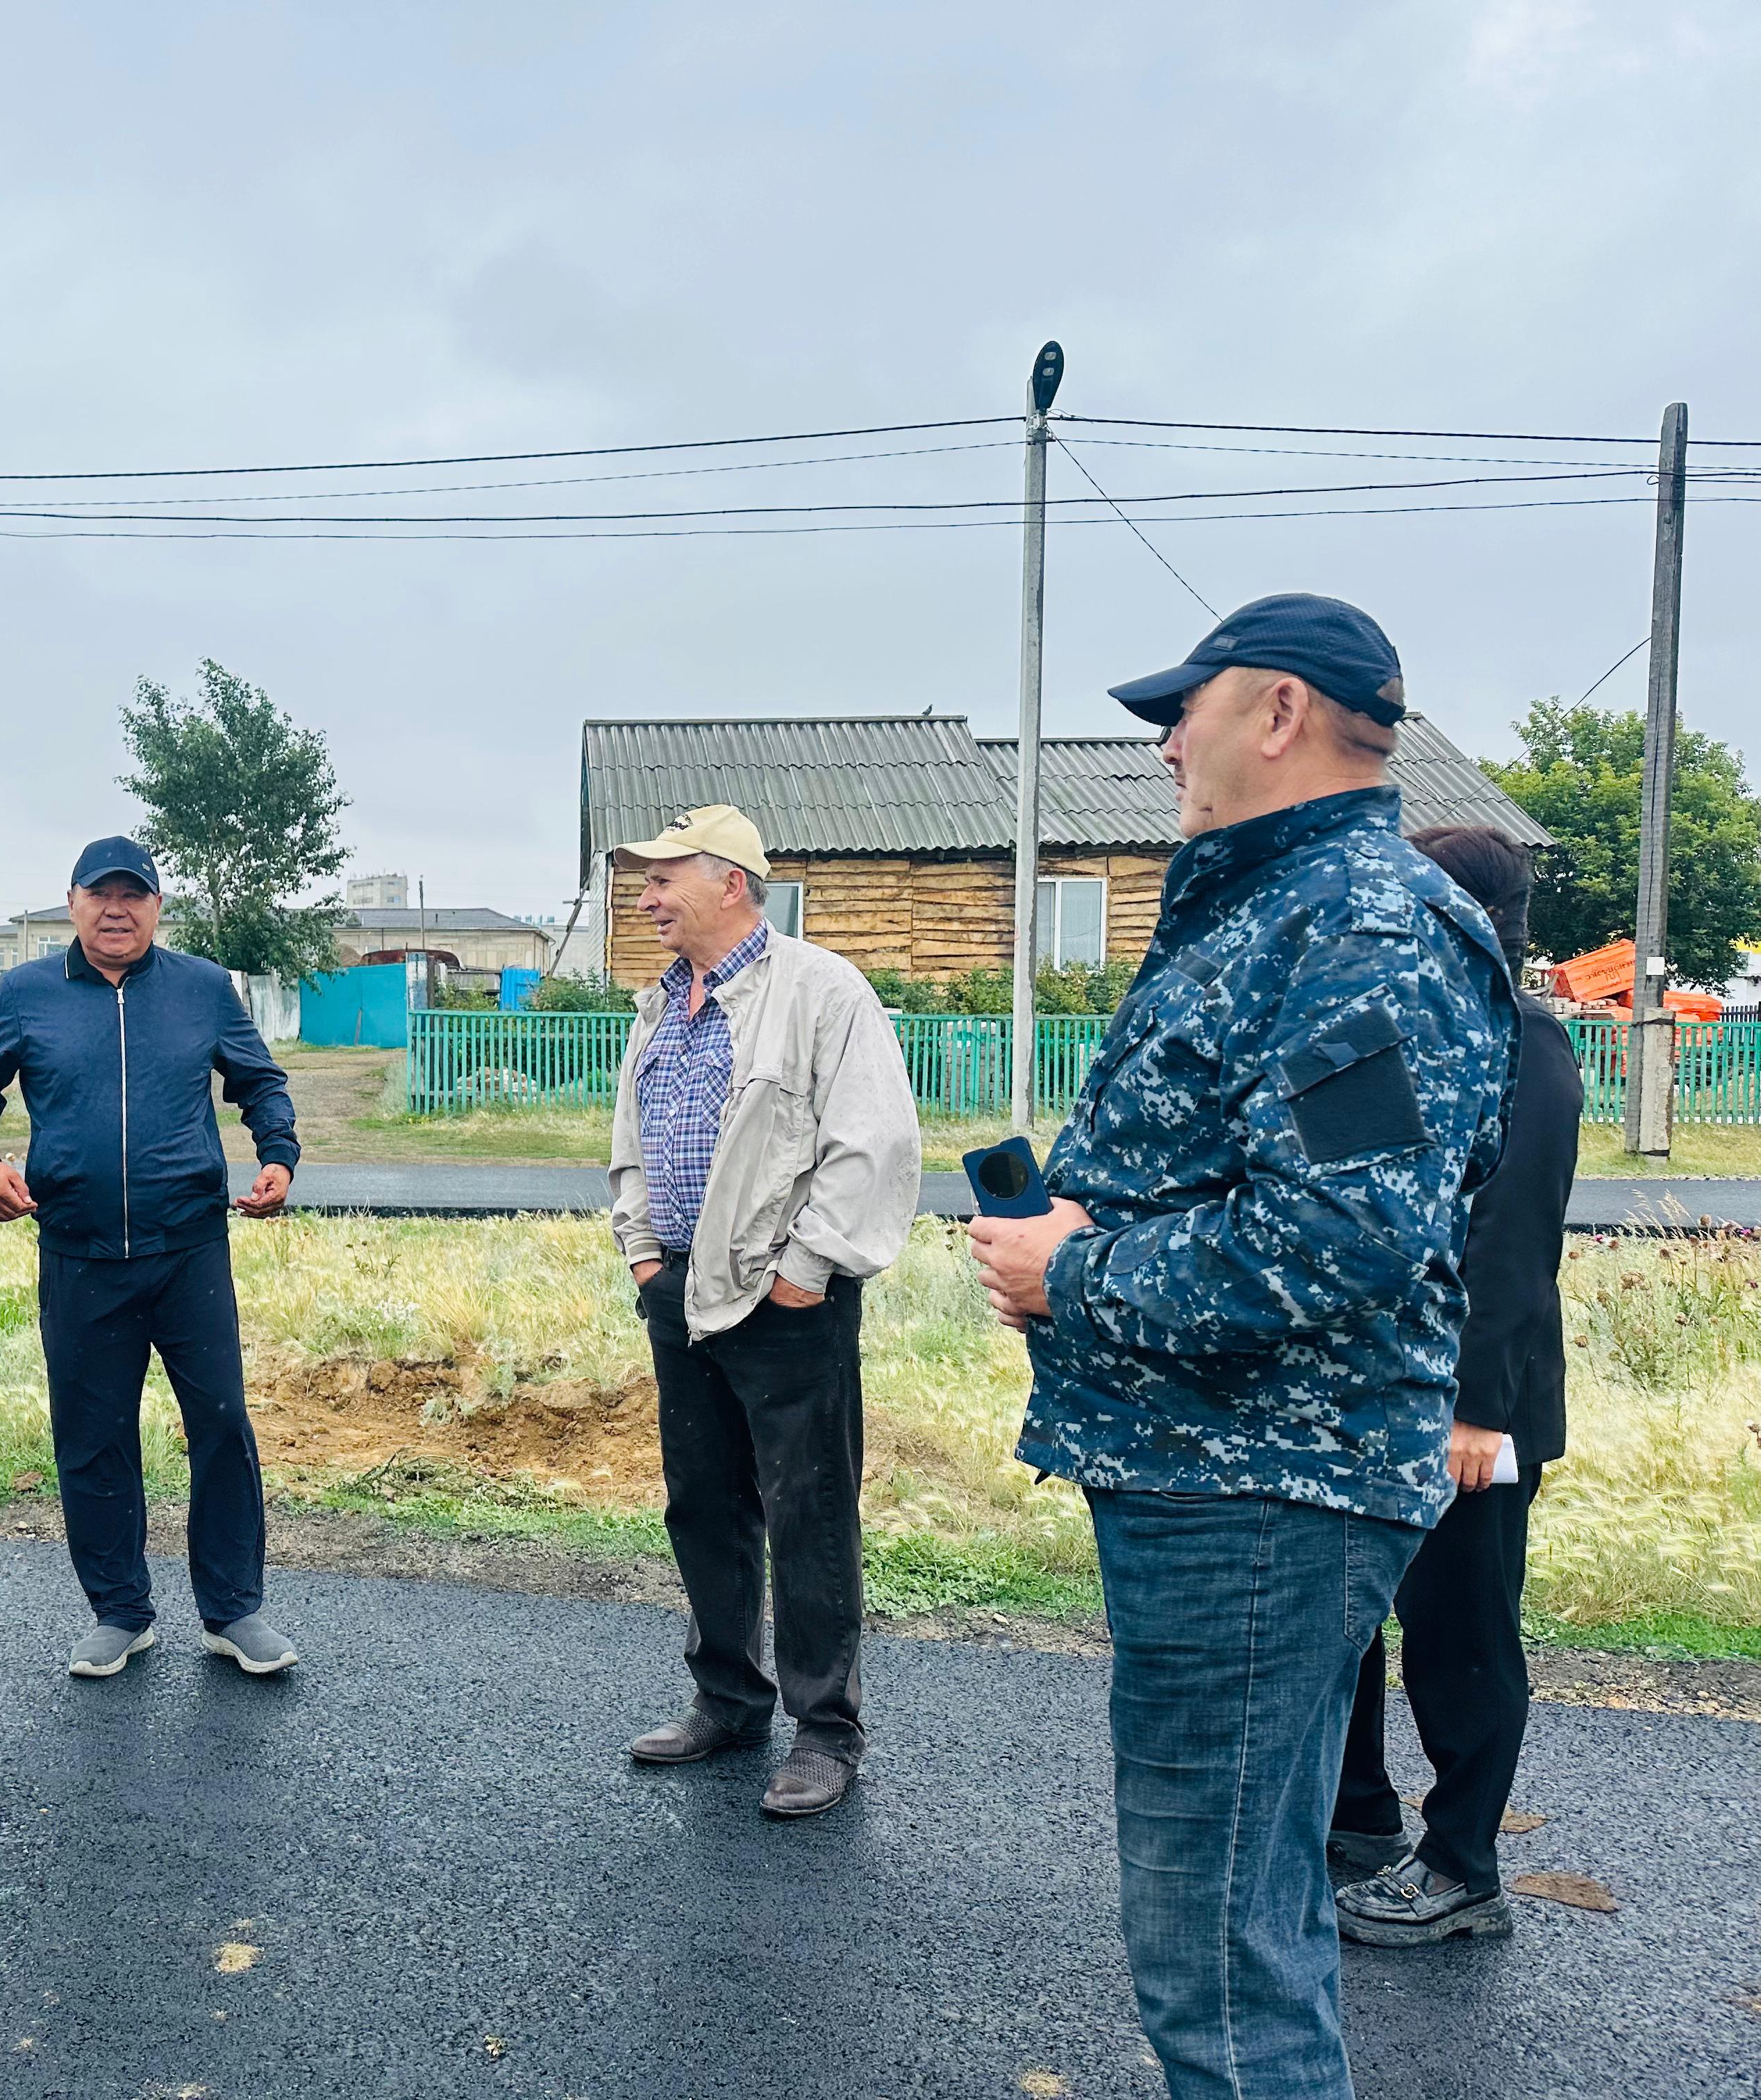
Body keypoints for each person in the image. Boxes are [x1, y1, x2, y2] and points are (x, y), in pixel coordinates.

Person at [967, 596, 1516, 2100]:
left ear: (1274, 712)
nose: (1161, 741)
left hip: (1260, 1497)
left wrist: (1080, 1273)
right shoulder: (1284, 907)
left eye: (1181, 708)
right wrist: (1084, 1236)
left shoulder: (1363, 925)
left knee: (1216, 1957)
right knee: (1246, 1926)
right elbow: (1276, 1189)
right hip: (1222, 1479)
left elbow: (1343, 1235)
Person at [604, 805, 921, 1819]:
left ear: (731, 881)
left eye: (663, 880)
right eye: (643, 882)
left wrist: (807, 1269)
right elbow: (634, 1134)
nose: (646, 898)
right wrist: (644, 1248)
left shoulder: (822, 991)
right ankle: (728, 1698)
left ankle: (826, 1731)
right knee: (704, 1501)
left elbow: (872, 1143)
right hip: (682, 1289)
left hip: (790, 1298)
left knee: (809, 1513)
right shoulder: (660, 1005)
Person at [0, 835, 302, 1678]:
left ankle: (234, 1611)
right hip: (79, 1253)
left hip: (189, 1251)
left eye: (134, 896)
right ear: (72, 904)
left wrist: (277, 1151)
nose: (116, 910)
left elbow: (260, 1081)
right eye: (100, 895)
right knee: (94, 1437)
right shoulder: (27, 993)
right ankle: (119, 1611)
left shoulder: (202, 989)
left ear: (157, 909)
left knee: (220, 1427)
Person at [1330, 825, 1580, 1946]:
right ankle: (1354, 1816)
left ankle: (1463, 1864)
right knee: (1340, 1618)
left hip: (1465, 1407)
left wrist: (1475, 1407)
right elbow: (1342, 1194)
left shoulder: (1525, 1040)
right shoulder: (1403, 1031)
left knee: (1457, 1632)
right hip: (1366, 1388)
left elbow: (1510, 1246)